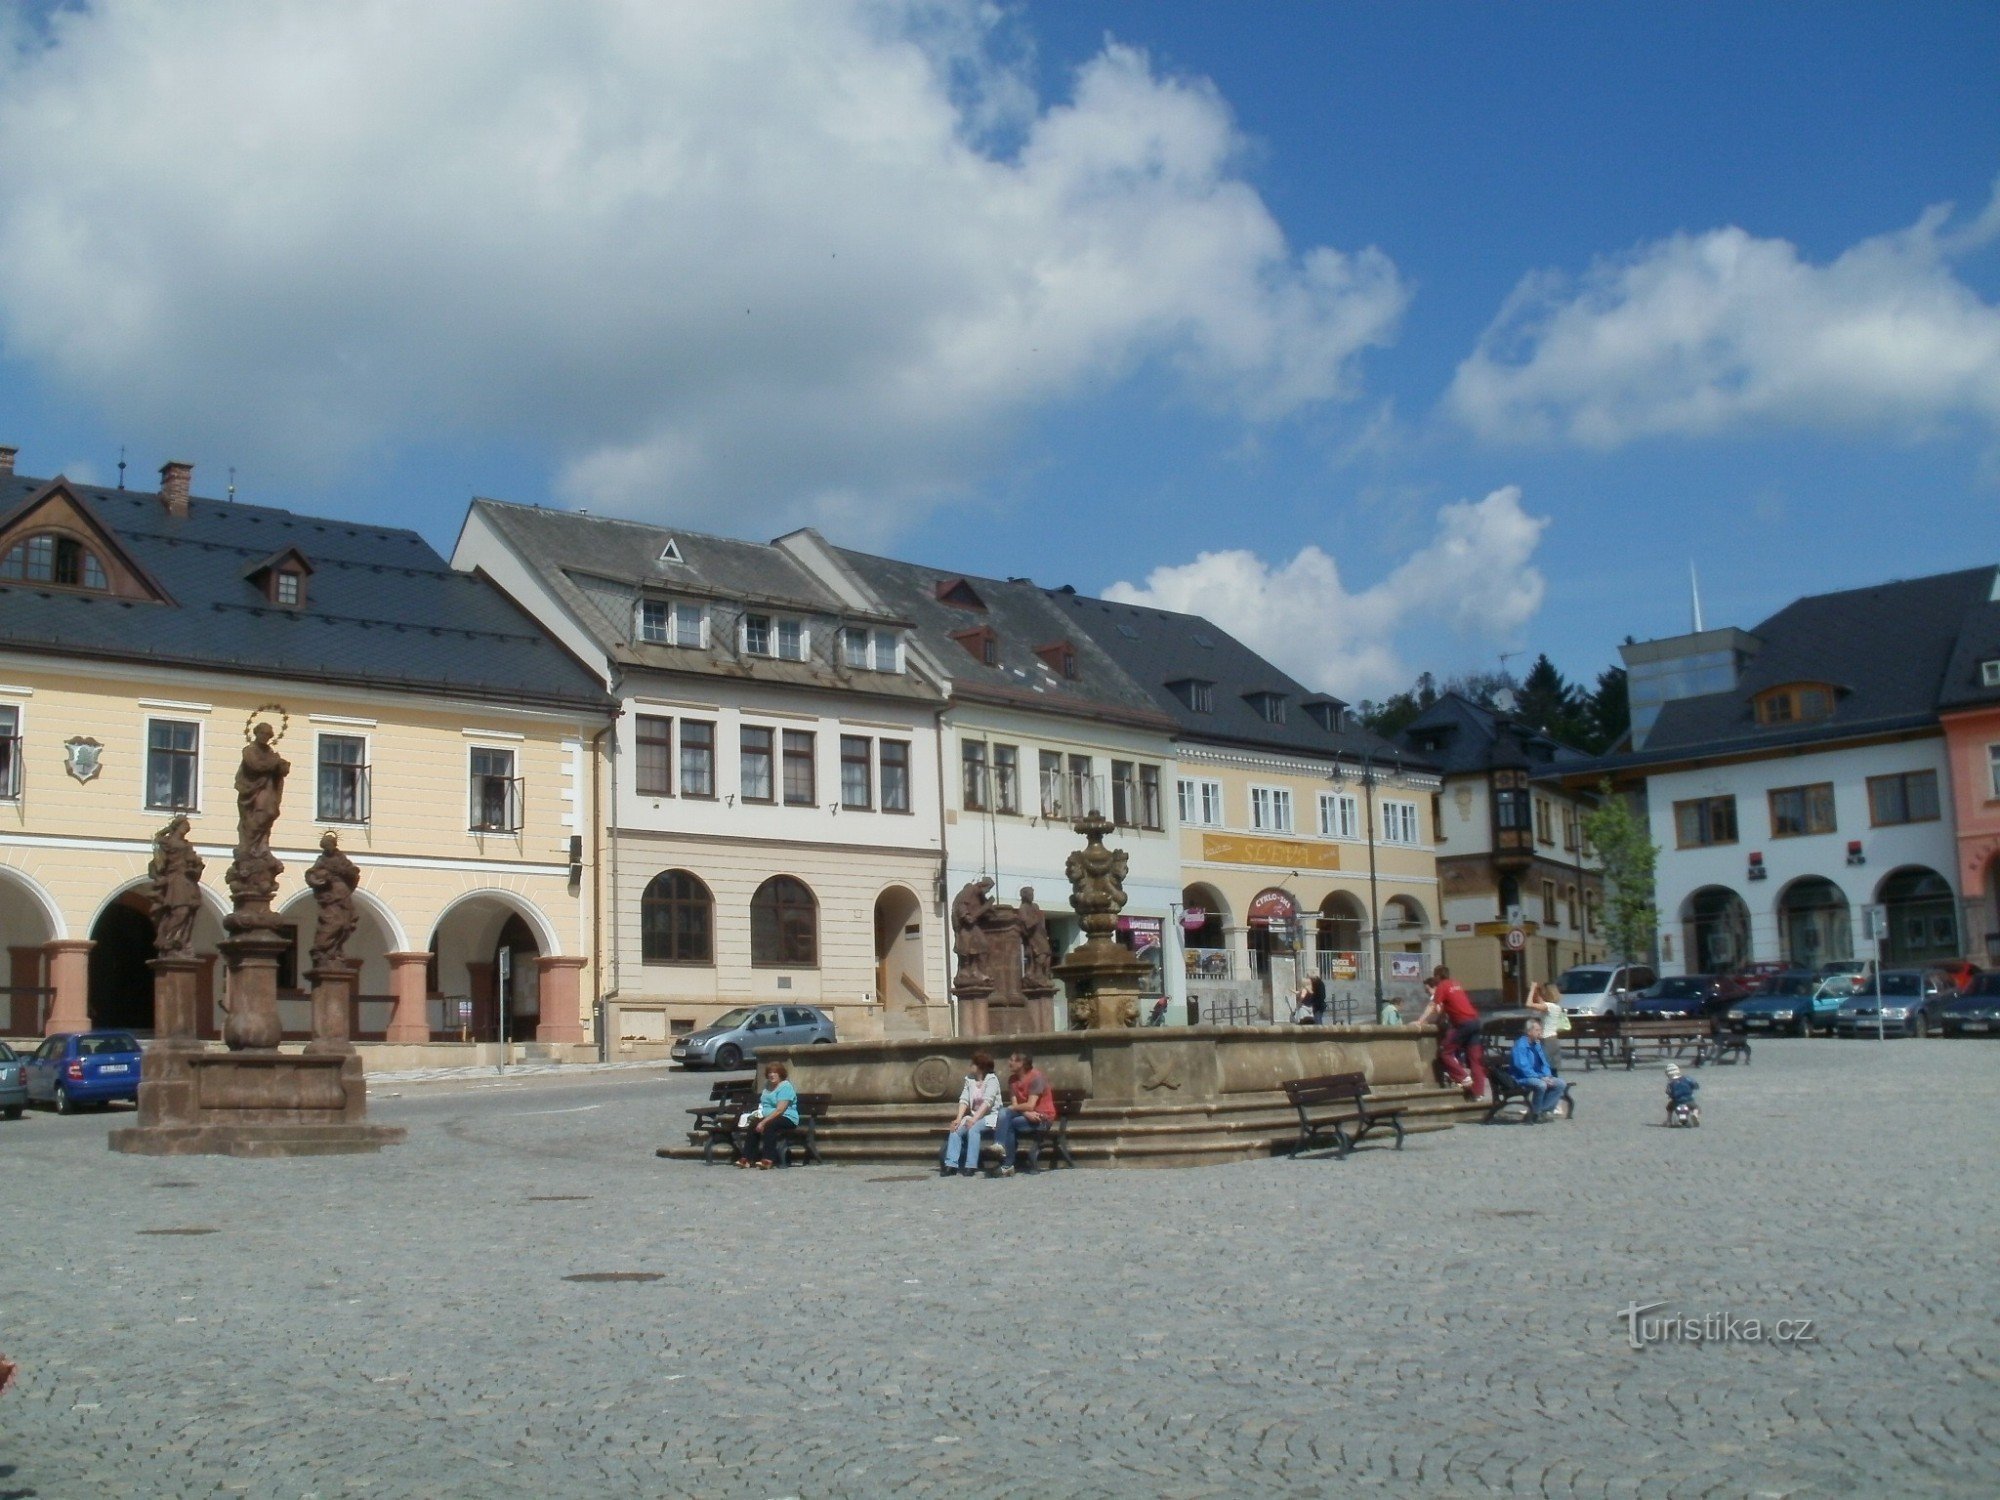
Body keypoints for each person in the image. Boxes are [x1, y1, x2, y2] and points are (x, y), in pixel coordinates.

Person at [1415, 966, 1487, 1101]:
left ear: (1437, 976)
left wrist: (1420, 1021)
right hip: (1476, 1022)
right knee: (1475, 1059)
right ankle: (1479, 1093)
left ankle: (1463, 1078)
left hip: (1463, 1024)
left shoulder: (1442, 986)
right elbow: (1448, 1007)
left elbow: (1433, 1006)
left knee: (1445, 1051)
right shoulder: (1456, 984)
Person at [940, 1051, 1001, 1177]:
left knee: (973, 1129)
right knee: (956, 1129)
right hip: (974, 1116)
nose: (970, 1066)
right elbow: (964, 1099)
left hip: (992, 1116)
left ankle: (971, 1165)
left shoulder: (992, 1080)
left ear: (980, 1066)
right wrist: (958, 1118)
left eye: (973, 1064)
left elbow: (987, 1103)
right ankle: (951, 1164)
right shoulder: (970, 1079)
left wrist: (974, 1119)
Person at [993, 1050, 1054, 1175]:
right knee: (1006, 1114)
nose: (1009, 1062)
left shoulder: (1036, 1078)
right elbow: (1016, 1105)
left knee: (1008, 1117)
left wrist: (1023, 1110)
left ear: (1021, 1063)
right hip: (1026, 1115)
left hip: (1042, 1117)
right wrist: (1025, 1113)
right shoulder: (1012, 1080)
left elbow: (1030, 1105)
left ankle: (1007, 1162)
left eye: (1012, 1060)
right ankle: (1000, 1147)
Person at [737, 1061, 799, 1169]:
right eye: (770, 1072)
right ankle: (747, 1158)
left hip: (787, 1117)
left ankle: (768, 1159)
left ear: (781, 1074)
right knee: (754, 1124)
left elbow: (780, 1110)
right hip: (769, 1116)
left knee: (770, 1125)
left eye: (775, 1072)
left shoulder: (785, 1087)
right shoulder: (767, 1086)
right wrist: (759, 1118)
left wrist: (764, 1122)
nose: (772, 1075)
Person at [1509, 1018, 1569, 1121]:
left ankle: (1541, 1111)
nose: (1540, 1032)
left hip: (1538, 1076)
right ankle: (1536, 1113)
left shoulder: (1537, 1044)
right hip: (1522, 1077)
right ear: (1529, 1031)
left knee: (1560, 1083)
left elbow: (1544, 1063)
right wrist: (1541, 1077)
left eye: (1540, 1030)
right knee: (1541, 1085)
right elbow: (1523, 1067)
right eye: (1537, 1030)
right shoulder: (1521, 1045)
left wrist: (1547, 1076)